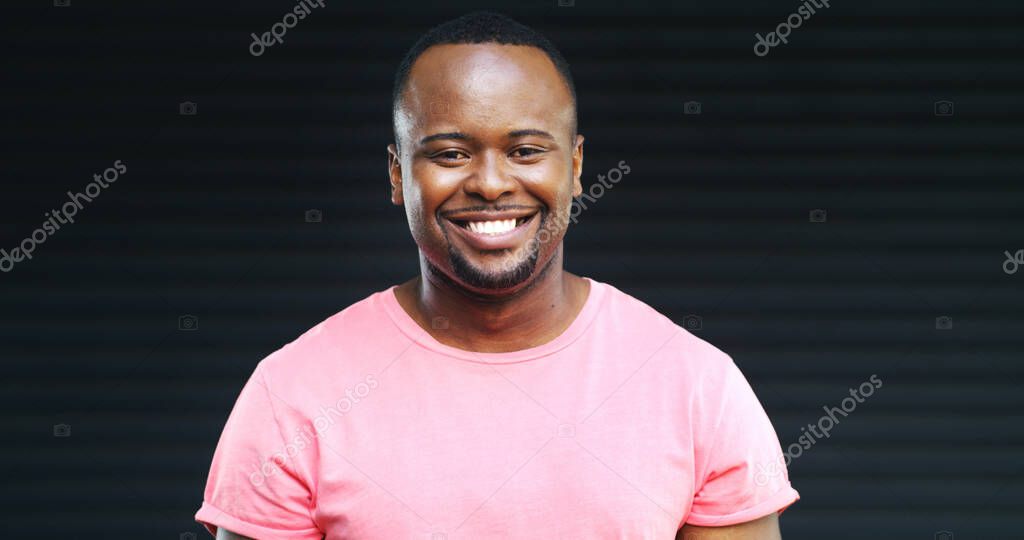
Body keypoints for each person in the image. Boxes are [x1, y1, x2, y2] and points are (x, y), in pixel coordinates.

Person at [195, 11, 799, 539]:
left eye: (526, 150)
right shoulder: (293, 395)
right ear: (397, 172)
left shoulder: (699, 387)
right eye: (451, 154)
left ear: (578, 165)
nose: (490, 183)